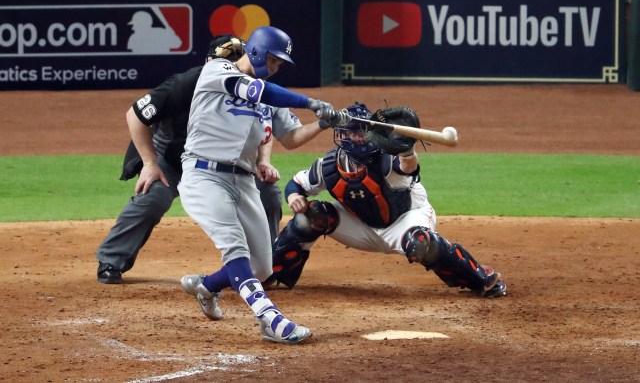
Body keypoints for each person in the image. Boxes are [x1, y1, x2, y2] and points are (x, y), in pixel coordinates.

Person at [178, 26, 346, 345]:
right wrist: (311, 101)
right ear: (255, 52)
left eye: (279, 64)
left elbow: (291, 138)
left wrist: (323, 123)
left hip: (244, 181)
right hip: (204, 175)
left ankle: (207, 286)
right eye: (273, 61)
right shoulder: (217, 71)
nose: (275, 68)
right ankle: (270, 319)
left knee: (263, 267)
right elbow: (261, 92)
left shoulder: (268, 96)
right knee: (235, 248)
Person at [265, 102, 508, 298]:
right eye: (352, 133)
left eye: (361, 133)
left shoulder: (386, 158)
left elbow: (407, 168)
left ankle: (479, 277)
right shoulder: (329, 165)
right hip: (361, 227)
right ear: (341, 135)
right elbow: (296, 183)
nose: (358, 138)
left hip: (405, 219)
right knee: (310, 216)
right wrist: (295, 195)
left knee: (422, 243)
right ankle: (273, 272)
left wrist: (407, 150)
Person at [96, 35, 283, 284]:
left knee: (267, 192)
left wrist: (263, 161)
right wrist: (150, 164)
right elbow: (135, 114)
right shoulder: (189, 82)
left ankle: (265, 266)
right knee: (154, 196)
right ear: (209, 63)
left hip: (226, 166)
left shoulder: (250, 86)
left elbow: (263, 128)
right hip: (172, 160)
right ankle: (112, 259)